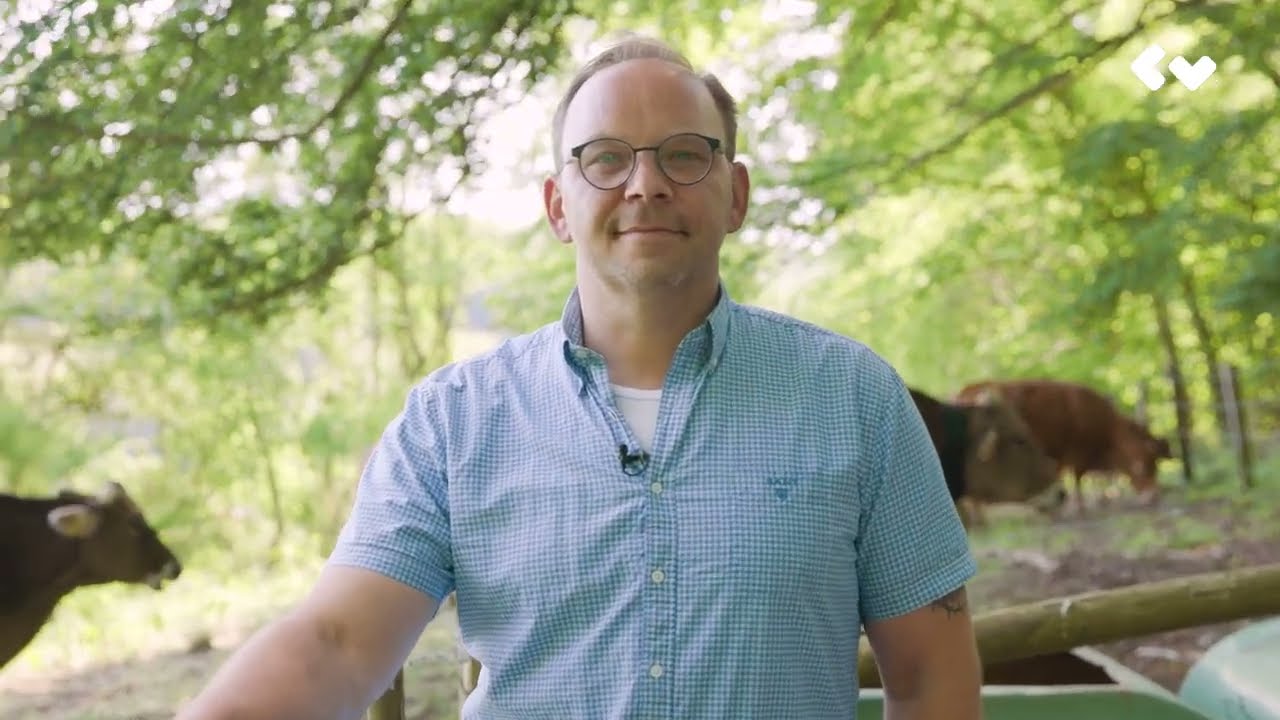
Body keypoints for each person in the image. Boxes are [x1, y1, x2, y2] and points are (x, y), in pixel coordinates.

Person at [175, 33, 983, 720]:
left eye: (684, 155)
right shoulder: (452, 423)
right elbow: (337, 647)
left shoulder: (855, 400)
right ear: (559, 205)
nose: (646, 184)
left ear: (735, 194)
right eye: (605, 160)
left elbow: (930, 678)